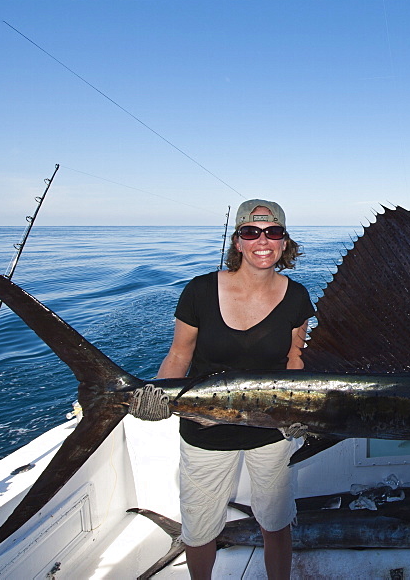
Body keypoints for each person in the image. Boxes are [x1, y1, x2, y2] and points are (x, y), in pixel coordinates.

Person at [132, 200, 314, 580]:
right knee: (199, 531)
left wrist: (301, 416)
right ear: (237, 242)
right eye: (251, 232)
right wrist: (156, 396)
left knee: (276, 522)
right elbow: (179, 355)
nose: (262, 241)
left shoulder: (297, 296)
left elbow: (296, 362)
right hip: (204, 429)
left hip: (272, 429)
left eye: (273, 232)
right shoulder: (199, 291)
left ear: (284, 241)